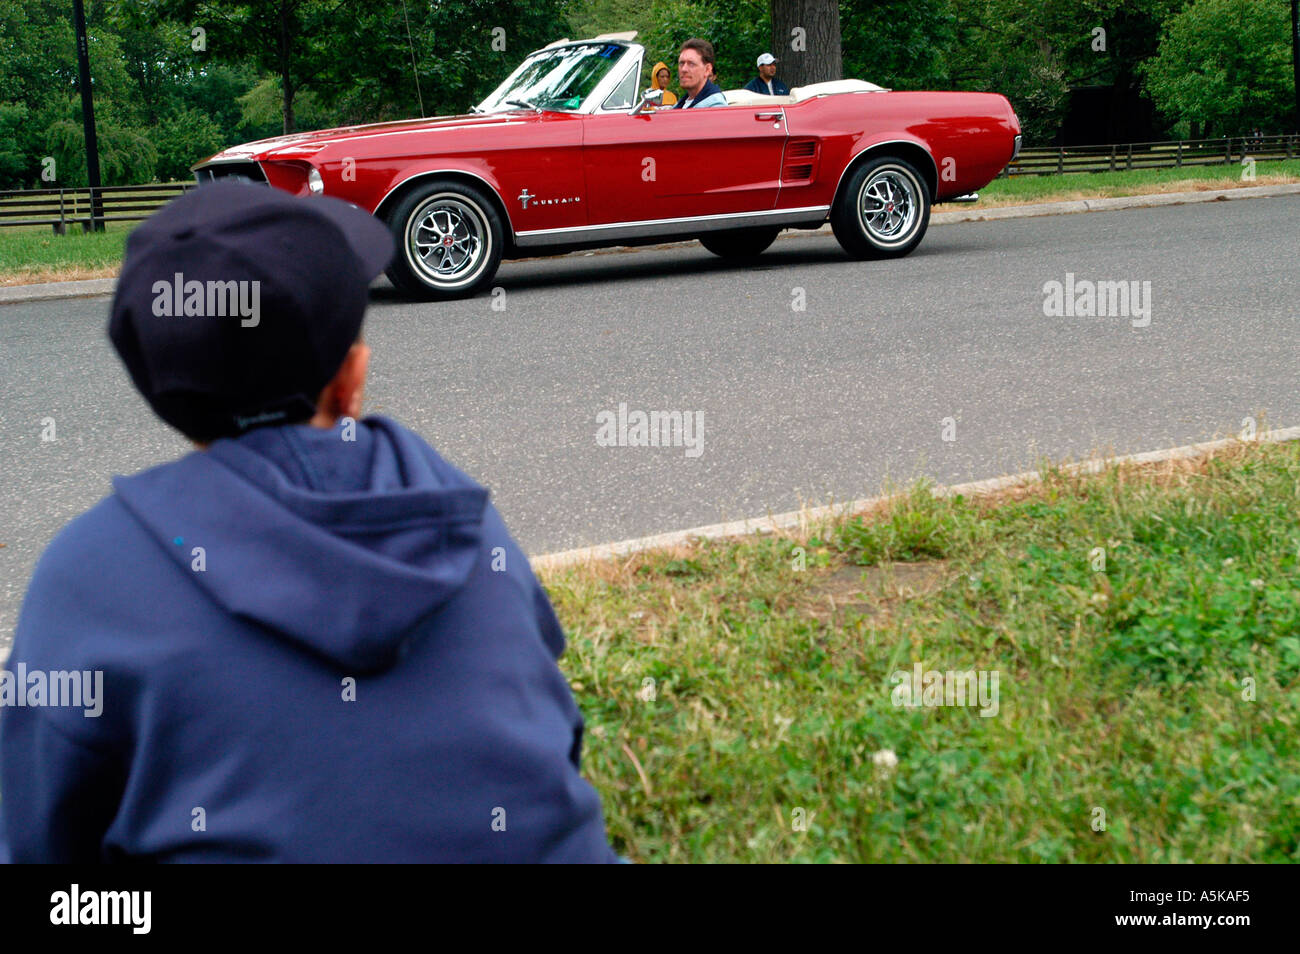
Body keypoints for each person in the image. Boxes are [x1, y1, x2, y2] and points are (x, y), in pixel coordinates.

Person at [0, 181, 619, 863]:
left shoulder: (90, 571)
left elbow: (39, 835)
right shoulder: (454, 508)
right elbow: (554, 737)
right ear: (351, 382)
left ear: (162, 397)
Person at [674, 38, 727, 109]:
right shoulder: (681, 104)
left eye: (691, 64)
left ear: (707, 69)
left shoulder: (715, 107)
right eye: (681, 63)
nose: (684, 69)